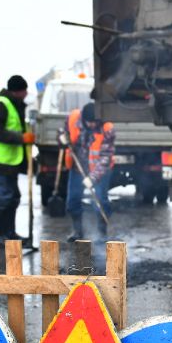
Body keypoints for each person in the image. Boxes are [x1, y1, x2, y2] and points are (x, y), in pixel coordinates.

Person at [0, 75, 36, 246]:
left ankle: (9, 234)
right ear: (18, 91)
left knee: (13, 197)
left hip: (10, 160)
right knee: (4, 197)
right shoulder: (1, 104)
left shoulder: (13, 104)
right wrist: (21, 138)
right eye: (25, 90)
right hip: (0, 159)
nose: (26, 94)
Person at [63, 101, 115, 240]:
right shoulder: (73, 119)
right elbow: (64, 133)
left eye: (95, 122)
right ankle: (77, 232)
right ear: (83, 119)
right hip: (77, 167)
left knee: (100, 201)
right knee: (73, 201)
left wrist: (92, 178)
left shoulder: (107, 128)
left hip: (99, 171)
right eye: (90, 122)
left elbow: (105, 159)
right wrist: (61, 139)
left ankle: (102, 233)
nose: (92, 125)